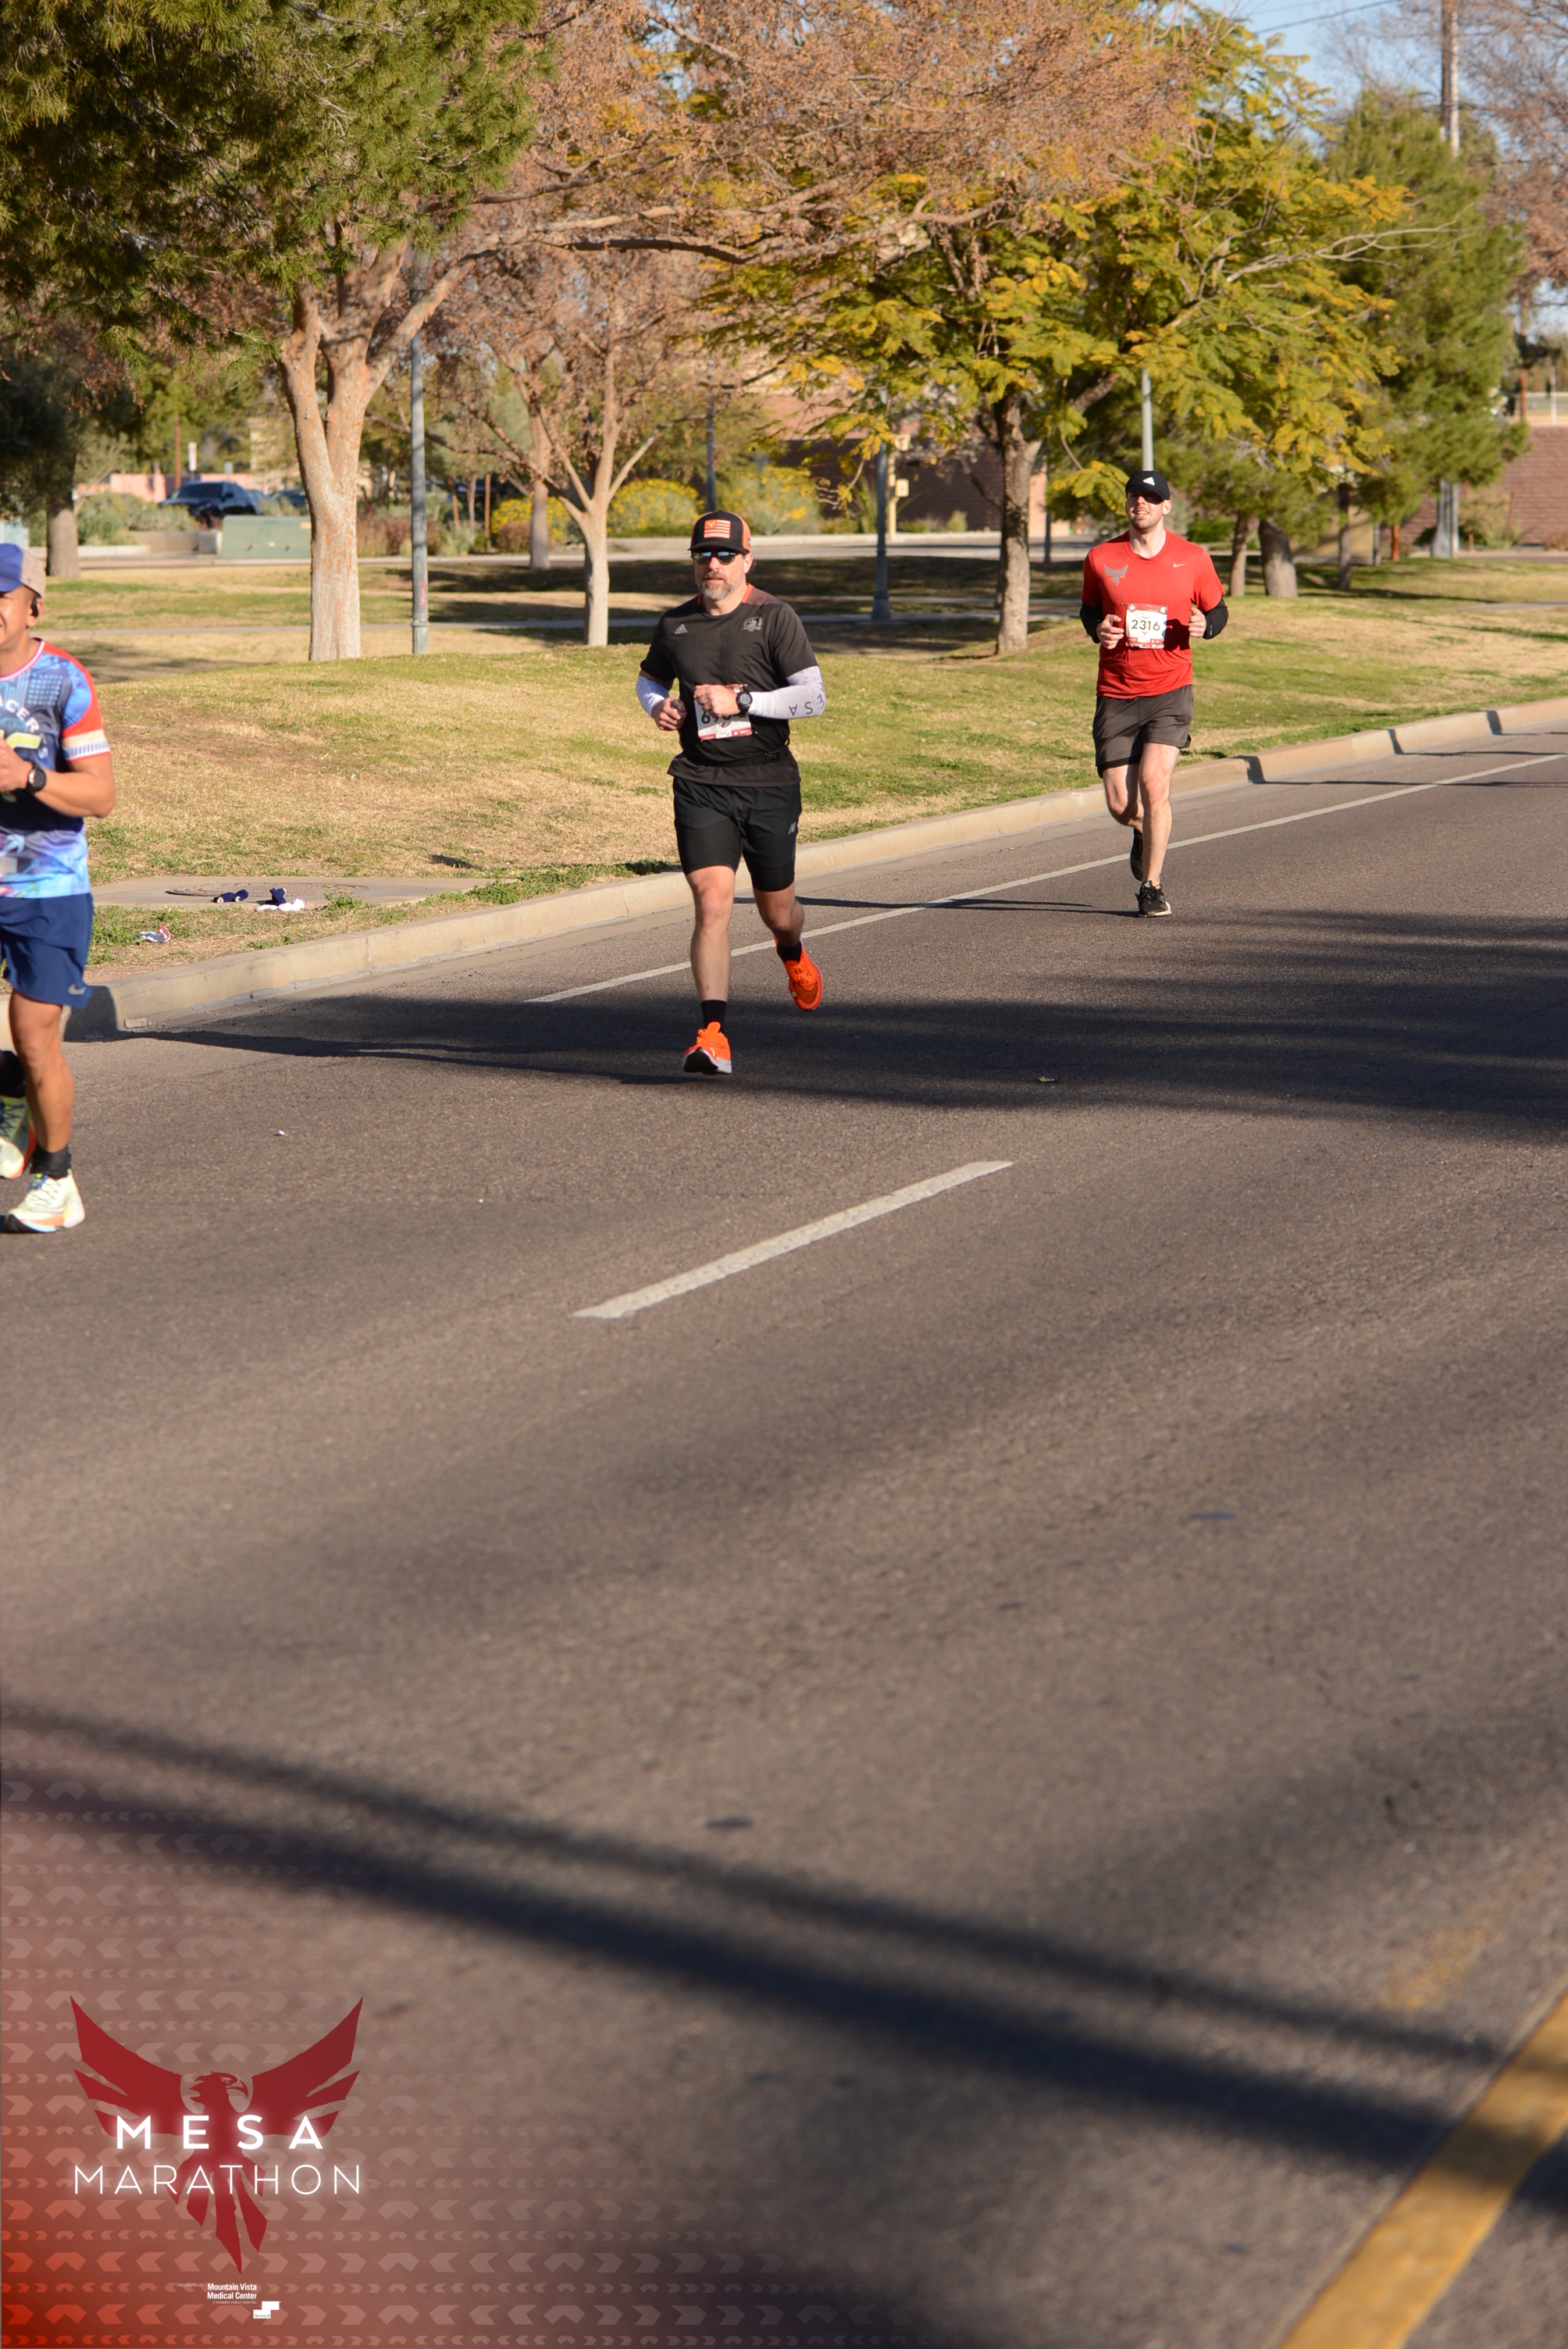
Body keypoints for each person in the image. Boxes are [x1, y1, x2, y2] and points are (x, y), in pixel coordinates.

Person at [637, 510, 826, 1075]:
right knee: (712, 901)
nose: (713, 565)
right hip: (701, 782)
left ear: (747, 559)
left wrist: (743, 701)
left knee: (778, 913)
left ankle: (791, 952)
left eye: (724, 555)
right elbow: (650, 677)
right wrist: (658, 705)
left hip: (768, 781)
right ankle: (712, 1035)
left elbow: (813, 698)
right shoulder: (676, 625)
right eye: (703, 555)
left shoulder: (775, 618)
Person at [0, 542, 116, 1231]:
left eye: (1, 597)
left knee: (34, 1033)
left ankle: (58, 1179)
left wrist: (30, 776)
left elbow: (100, 796)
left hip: (47, 888)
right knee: (20, 1051)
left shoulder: (62, 681)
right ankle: (9, 1085)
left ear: (32, 608)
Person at [1080, 468, 1227, 918]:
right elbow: (1089, 611)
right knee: (1121, 805)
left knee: (1153, 784)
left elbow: (1218, 610)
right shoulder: (1101, 557)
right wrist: (1099, 629)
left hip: (1170, 690)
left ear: (1166, 507)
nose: (1139, 503)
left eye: (1149, 497)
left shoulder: (1193, 558)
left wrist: (1206, 625)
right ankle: (1143, 831)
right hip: (1117, 691)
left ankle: (1152, 886)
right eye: (1133, 496)